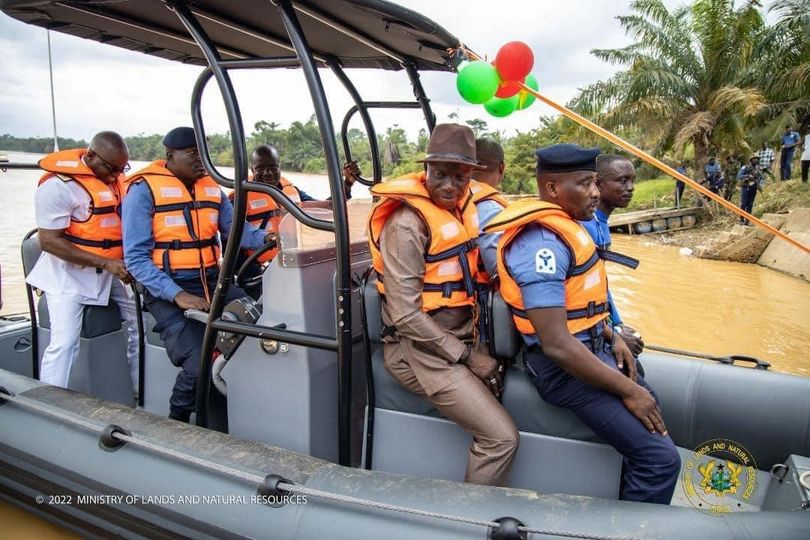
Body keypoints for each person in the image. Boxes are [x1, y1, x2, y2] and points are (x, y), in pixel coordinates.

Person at [484, 143, 680, 504]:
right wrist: (628, 390)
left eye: (594, 182)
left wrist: (610, 333)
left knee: (652, 404)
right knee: (660, 460)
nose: (595, 193)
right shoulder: (541, 245)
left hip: (594, 346)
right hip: (562, 370)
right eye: (585, 183)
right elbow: (557, 343)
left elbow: (579, 307)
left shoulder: (572, 230)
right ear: (553, 189)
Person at [367, 123, 518, 486]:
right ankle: (469, 521)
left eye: (460, 176)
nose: (449, 186)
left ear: (472, 176)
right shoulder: (408, 224)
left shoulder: (463, 210)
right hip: (418, 352)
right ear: (426, 170)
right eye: (439, 175)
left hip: (458, 339)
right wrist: (470, 358)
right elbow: (404, 314)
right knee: (502, 438)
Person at [122, 127, 271, 422]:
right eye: (192, 153)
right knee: (198, 362)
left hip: (213, 282)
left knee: (261, 326)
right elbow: (136, 260)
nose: (200, 160)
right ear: (170, 156)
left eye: (204, 153)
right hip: (167, 288)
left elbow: (238, 231)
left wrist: (271, 239)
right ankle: (177, 419)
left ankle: (239, 410)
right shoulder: (142, 192)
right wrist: (178, 295)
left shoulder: (212, 189)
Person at [27, 132, 140, 391]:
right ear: (90, 156)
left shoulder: (116, 182)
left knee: (140, 320)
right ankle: (50, 400)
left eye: (121, 170)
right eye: (111, 169)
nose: (115, 176)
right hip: (67, 277)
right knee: (65, 342)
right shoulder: (57, 187)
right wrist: (107, 263)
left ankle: (137, 389)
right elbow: (49, 242)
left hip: (111, 271)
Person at [232, 144, 357, 298]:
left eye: (273, 167)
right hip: (257, 272)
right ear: (252, 170)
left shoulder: (292, 191)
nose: (267, 173)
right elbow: (236, 237)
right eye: (260, 168)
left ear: (279, 167)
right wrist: (267, 241)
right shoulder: (240, 197)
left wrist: (347, 184)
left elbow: (328, 207)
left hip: (292, 263)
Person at [581, 154, 644, 357]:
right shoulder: (586, 227)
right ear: (598, 185)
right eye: (622, 180)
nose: (631, 187)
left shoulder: (601, 224)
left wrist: (618, 322)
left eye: (632, 180)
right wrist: (614, 333)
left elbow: (601, 283)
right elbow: (582, 291)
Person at [469, 138, 509, 346]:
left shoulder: (453, 197)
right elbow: (497, 269)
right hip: (479, 299)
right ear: (501, 167)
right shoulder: (491, 208)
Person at [737, 155, 764, 226]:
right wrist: (747, 176)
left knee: (750, 205)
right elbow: (738, 176)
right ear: (751, 160)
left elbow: (761, 178)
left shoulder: (759, 168)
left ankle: (747, 220)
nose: (756, 160)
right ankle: (741, 218)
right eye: (755, 159)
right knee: (743, 204)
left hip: (753, 188)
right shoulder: (745, 167)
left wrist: (759, 185)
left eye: (757, 159)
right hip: (746, 187)